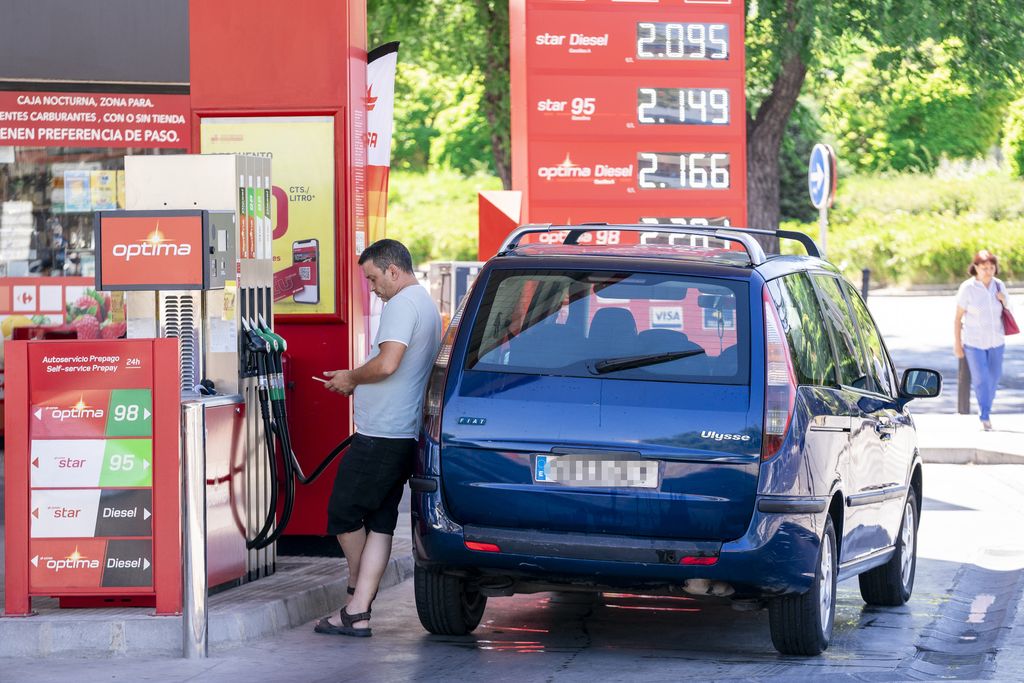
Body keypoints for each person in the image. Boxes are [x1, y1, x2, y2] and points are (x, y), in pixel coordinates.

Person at [313, 239, 441, 637]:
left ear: (393, 270)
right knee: (381, 520)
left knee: (344, 513)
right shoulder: (426, 304)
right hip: (402, 433)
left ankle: (357, 597)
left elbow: (387, 364)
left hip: (382, 434)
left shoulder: (402, 304)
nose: (372, 288)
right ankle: (358, 613)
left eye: (373, 279)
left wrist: (351, 378)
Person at [954, 249, 1013, 431]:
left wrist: (1003, 299)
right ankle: (985, 415)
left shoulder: (998, 285)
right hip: (974, 343)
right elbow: (957, 318)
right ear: (976, 268)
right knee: (981, 379)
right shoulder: (968, 288)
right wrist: (957, 343)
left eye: (991, 267)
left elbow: (1008, 307)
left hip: (997, 341)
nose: (988, 271)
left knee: (994, 378)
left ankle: (986, 409)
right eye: (984, 267)